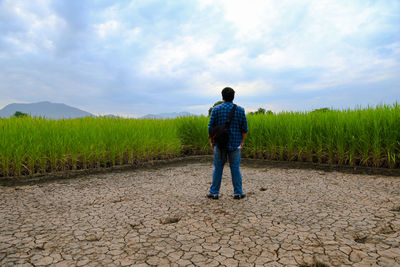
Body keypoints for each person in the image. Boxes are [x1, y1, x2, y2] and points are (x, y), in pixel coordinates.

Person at [207, 87, 248, 200]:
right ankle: (238, 193)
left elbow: (210, 127)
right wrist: (242, 142)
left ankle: (214, 193)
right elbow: (244, 129)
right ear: (233, 97)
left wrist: (211, 141)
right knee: (235, 167)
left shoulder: (216, 109)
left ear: (222, 97)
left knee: (218, 167)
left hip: (219, 143)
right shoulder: (240, 110)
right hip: (235, 144)